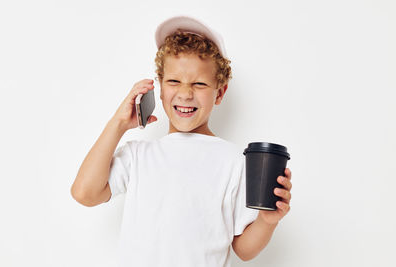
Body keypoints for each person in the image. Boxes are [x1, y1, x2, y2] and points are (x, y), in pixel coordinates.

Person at [70, 15, 293, 267]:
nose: (185, 93)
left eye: (199, 84)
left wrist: (266, 221)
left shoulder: (235, 161)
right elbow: (84, 193)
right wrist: (118, 124)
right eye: (174, 81)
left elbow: (243, 249)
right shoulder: (138, 155)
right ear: (160, 87)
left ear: (219, 93)